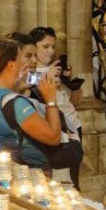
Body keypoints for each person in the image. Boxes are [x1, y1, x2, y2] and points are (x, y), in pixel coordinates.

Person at [0, 38, 64, 172]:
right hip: (28, 171)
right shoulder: (17, 103)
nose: (31, 61)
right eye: (21, 57)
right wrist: (50, 99)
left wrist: (18, 86)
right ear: (10, 64)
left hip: (3, 165)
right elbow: (53, 137)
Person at [28, 25, 84, 187]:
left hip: (73, 125)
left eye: (53, 47)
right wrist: (47, 75)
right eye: (45, 46)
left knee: (74, 178)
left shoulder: (55, 69)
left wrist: (73, 83)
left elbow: (74, 103)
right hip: (54, 129)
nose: (51, 51)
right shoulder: (31, 73)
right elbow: (23, 84)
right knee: (59, 182)